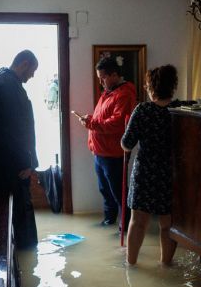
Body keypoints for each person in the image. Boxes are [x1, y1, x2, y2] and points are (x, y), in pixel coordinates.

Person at [120, 64, 178, 266]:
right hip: (169, 174)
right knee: (167, 225)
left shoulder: (143, 110)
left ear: (151, 87)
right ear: (173, 86)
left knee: (137, 222)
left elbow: (127, 144)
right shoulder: (179, 111)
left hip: (145, 172)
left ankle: (131, 265)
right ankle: (166, 265)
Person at [73, 56, 137, 228]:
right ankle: (109, 221)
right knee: (105, 190)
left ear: (114, 75)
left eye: (103, 78)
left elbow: (117, 124)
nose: (101, 82)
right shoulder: (107, 93)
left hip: (113, 154)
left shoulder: (124, 94)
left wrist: (91, 123)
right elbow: (103, 119)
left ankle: (126, 227)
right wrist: (90, 119)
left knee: (119, 192)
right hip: (101, 152)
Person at [0, 50, 39, 248]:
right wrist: (28, 162)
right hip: (13, 165)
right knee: (20, 211)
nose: (32, 75)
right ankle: (27, 253)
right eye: (32, 70)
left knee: (15, 210)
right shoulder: (8, 87)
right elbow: (17, 130)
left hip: (2, 161)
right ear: (24, 64)